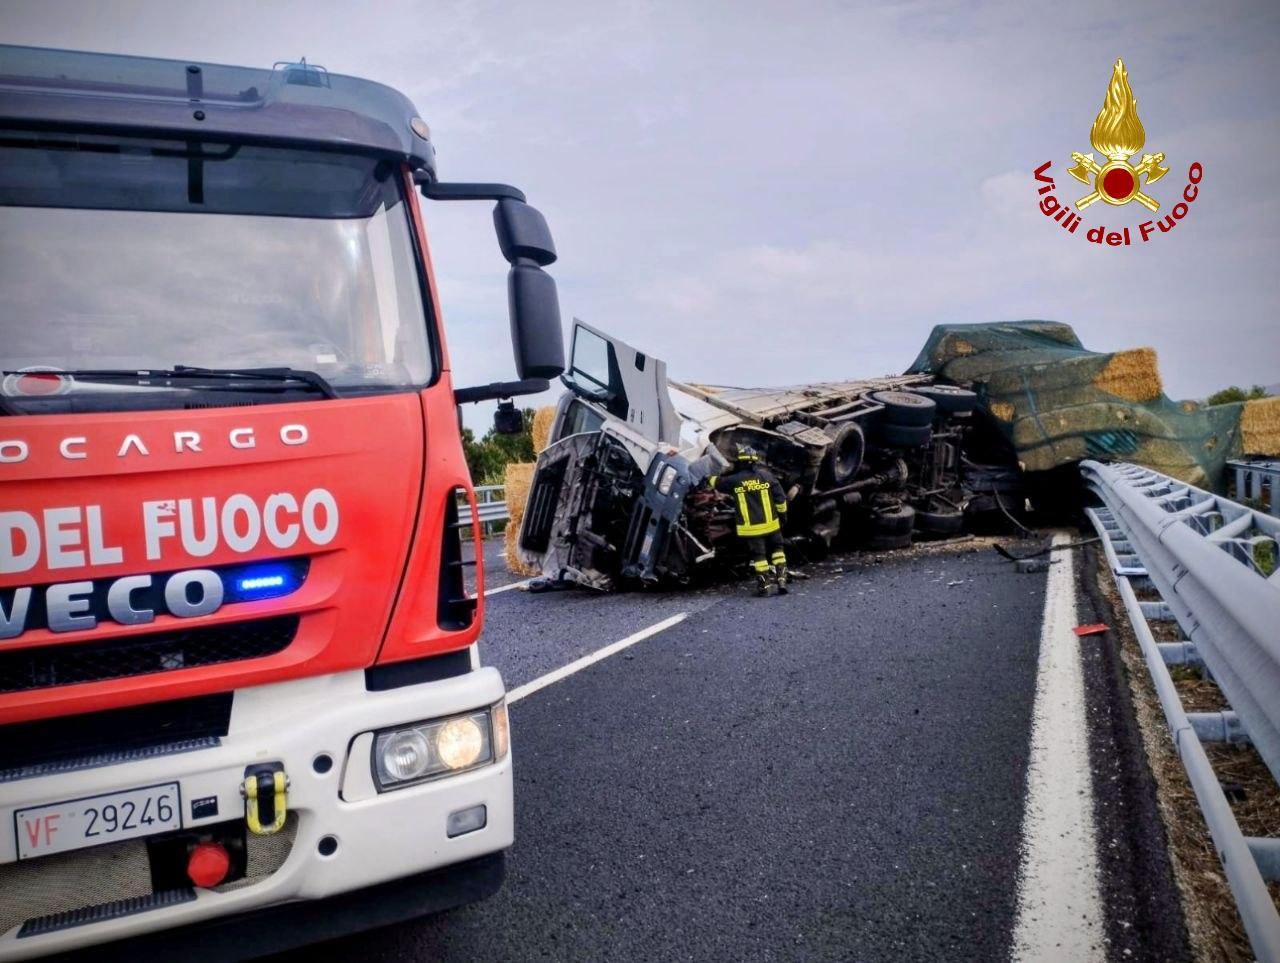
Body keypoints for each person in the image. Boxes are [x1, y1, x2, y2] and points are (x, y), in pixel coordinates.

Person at [707, 445, 790, 596]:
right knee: (778, 550)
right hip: (772, 525)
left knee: (759, 556)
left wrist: (708, 469)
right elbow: (781, 500)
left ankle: (765, 586)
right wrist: (782, 517)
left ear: (741, 462)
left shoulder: (734, 480)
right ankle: (782, 580)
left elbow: (715, 482)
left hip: (751, 529)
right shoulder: (767, 476)